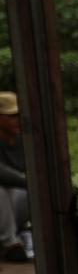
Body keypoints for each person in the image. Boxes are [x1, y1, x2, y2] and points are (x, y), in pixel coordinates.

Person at [0, 92, 29, 262]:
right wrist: (28, 181)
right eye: (12, 116)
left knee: (31, 193)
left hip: (11, 211)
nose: (17, 120)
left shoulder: (23, 140)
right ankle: (11, 244)